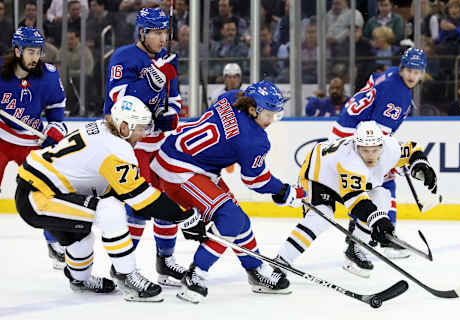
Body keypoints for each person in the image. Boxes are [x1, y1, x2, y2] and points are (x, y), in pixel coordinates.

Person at [15, 95, 202, 302]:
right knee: (110, 210)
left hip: (44, 191)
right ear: (124, 127)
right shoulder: (117, 148)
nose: (143, 133)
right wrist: (183, 216)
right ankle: (127, 276)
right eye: (140, 127)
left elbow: (111, 186)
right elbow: (141, 198)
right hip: (39, 197)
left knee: (82, 238)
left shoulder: (100, 128)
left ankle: (80, 280)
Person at [150, 80, 307, 303]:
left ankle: (255, 270)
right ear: (253, 109)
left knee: (239, 219)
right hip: (179, 169)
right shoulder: (254, 140)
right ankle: (196, 275)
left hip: (180, 156)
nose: (272, 120)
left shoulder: (230, 97)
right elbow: (256, 181)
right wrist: (284, 191)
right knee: (231, 218)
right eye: (269, 114)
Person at [274, 121, 437, 279]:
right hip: (318, 176)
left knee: (381, 197)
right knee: (320, 218)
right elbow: (354, 202)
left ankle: (356, 250)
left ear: (382, 146)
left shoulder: (390, 147)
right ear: (356, 146)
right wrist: (378, 221)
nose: (370, 155)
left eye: (374, 150)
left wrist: (421, 164)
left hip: (340, 177)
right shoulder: (350, 161)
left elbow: (413, 148)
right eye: (365, 150)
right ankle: (280, 262)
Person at [104, 7, 187, 287]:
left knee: (169, 201)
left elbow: (174, 100)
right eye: (157, 32)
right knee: (138, 205)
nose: (163, 38)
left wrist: (170, 117)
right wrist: (147, 83)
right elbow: (117, 99)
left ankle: (165, 261)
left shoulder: (167, 62)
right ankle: (124, 267)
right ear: (142, 32)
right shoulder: (124, 57)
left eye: (165, 32)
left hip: (160, 145)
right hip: (132, 145)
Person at [329, 48, 427, 275]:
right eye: (409, 70)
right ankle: (371, 240)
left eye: (417, 71)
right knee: (379, 185)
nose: (412, 75)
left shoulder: (393, 76)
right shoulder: (398, 92)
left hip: (347, 132)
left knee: (380, 183)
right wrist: (396, 159)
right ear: (403, 68)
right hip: (352, 138)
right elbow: (377, 133)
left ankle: (374, 233)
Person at [0, 26, 67, 269]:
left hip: (29, 140)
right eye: (30, 51)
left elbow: (57, 115)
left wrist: (53, 135)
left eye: (38, 52)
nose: (35, 57)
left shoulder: (48, 75)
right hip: (1, 137)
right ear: (17, 51)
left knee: (44, 189)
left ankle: (53, 242)